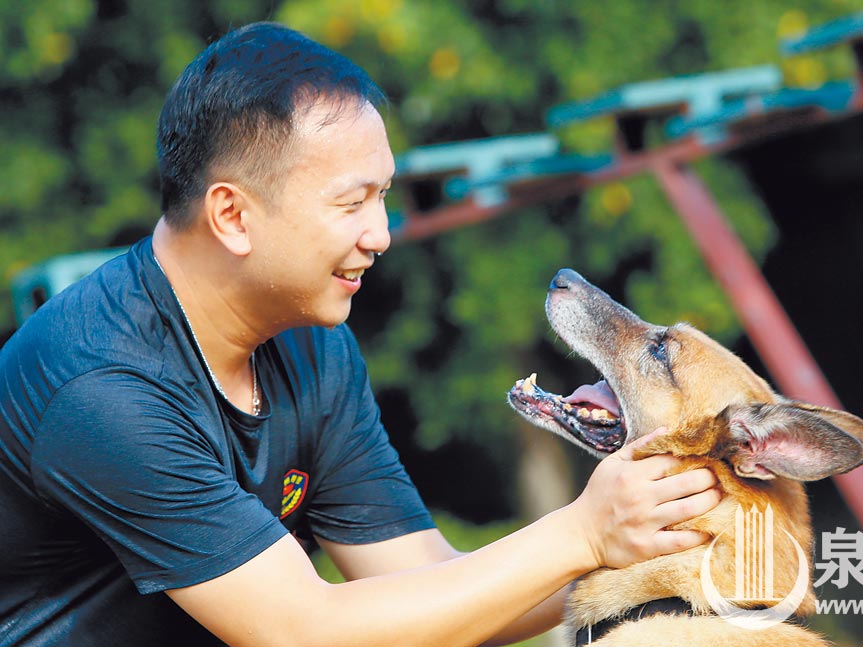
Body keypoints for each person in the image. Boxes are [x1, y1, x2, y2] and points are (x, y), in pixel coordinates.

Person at [0, 22, 721, 647]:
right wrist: (583, 532)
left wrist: (661, 545)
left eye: (383, 196)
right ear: (232, 215)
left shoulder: (308, 346)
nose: (380, 235)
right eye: (352, 203)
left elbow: (430, 583)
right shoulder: (104, 388)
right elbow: (304, 631)